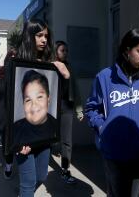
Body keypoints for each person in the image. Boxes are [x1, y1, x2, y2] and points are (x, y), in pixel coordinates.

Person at [85, 29, 139, 197]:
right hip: (113, 155)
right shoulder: (105, 77)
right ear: (126, 50)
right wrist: (103, 129)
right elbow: (92, 109)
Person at [12, 19, 70, 197]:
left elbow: (63, 98)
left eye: (46, 35)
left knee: (41, 176)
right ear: (29, 36)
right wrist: (13, 140)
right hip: (23, 141)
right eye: (39, 35)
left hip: (44, 137)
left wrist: (65, 76)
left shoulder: (51, 66)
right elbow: (4, 104)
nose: (44, 39)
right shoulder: (15, 62)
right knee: (28, 183)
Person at [54, 40, 84, 184]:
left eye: (66, 50)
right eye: (62, 50)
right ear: (55, 52)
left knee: (67, 141)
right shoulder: (50, 67)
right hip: (51, 108)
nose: (65, 53)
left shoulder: (70, 67)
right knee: (48, 139)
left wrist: (79, 110)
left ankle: (65, 171)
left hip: (66, 107)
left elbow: (76, 89)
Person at [13, 70, 57, 148]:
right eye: (28, 100)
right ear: (23, 104)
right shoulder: (16, 129)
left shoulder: (55, 126)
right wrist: (17, 148)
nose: (34, 105)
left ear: (48, 100)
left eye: (39, 97)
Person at [0, 49, 16, 179]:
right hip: (4, 112)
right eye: (11, 56)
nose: (13, 58)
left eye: (16, 56)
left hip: (19, 113)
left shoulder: (23, 72)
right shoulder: (1, 72)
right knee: (6, 141)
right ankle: (8, 165)